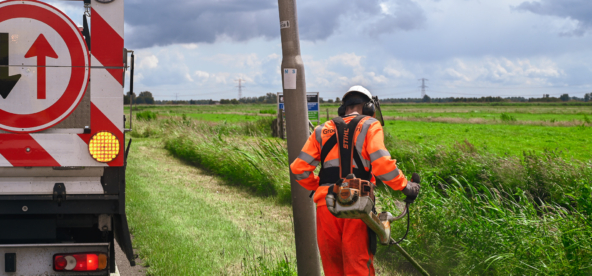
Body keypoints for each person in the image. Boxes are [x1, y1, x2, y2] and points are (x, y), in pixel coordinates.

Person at [289, 85, 420, 275]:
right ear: (369, 107)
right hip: (358, 206)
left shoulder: (321, 130)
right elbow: (382, 165)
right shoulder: (370, 125)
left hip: (326, 205)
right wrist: (405, 186)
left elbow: (299, 169)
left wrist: (321, 187)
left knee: (333, 268)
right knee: (358, 267)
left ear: (343, 109)